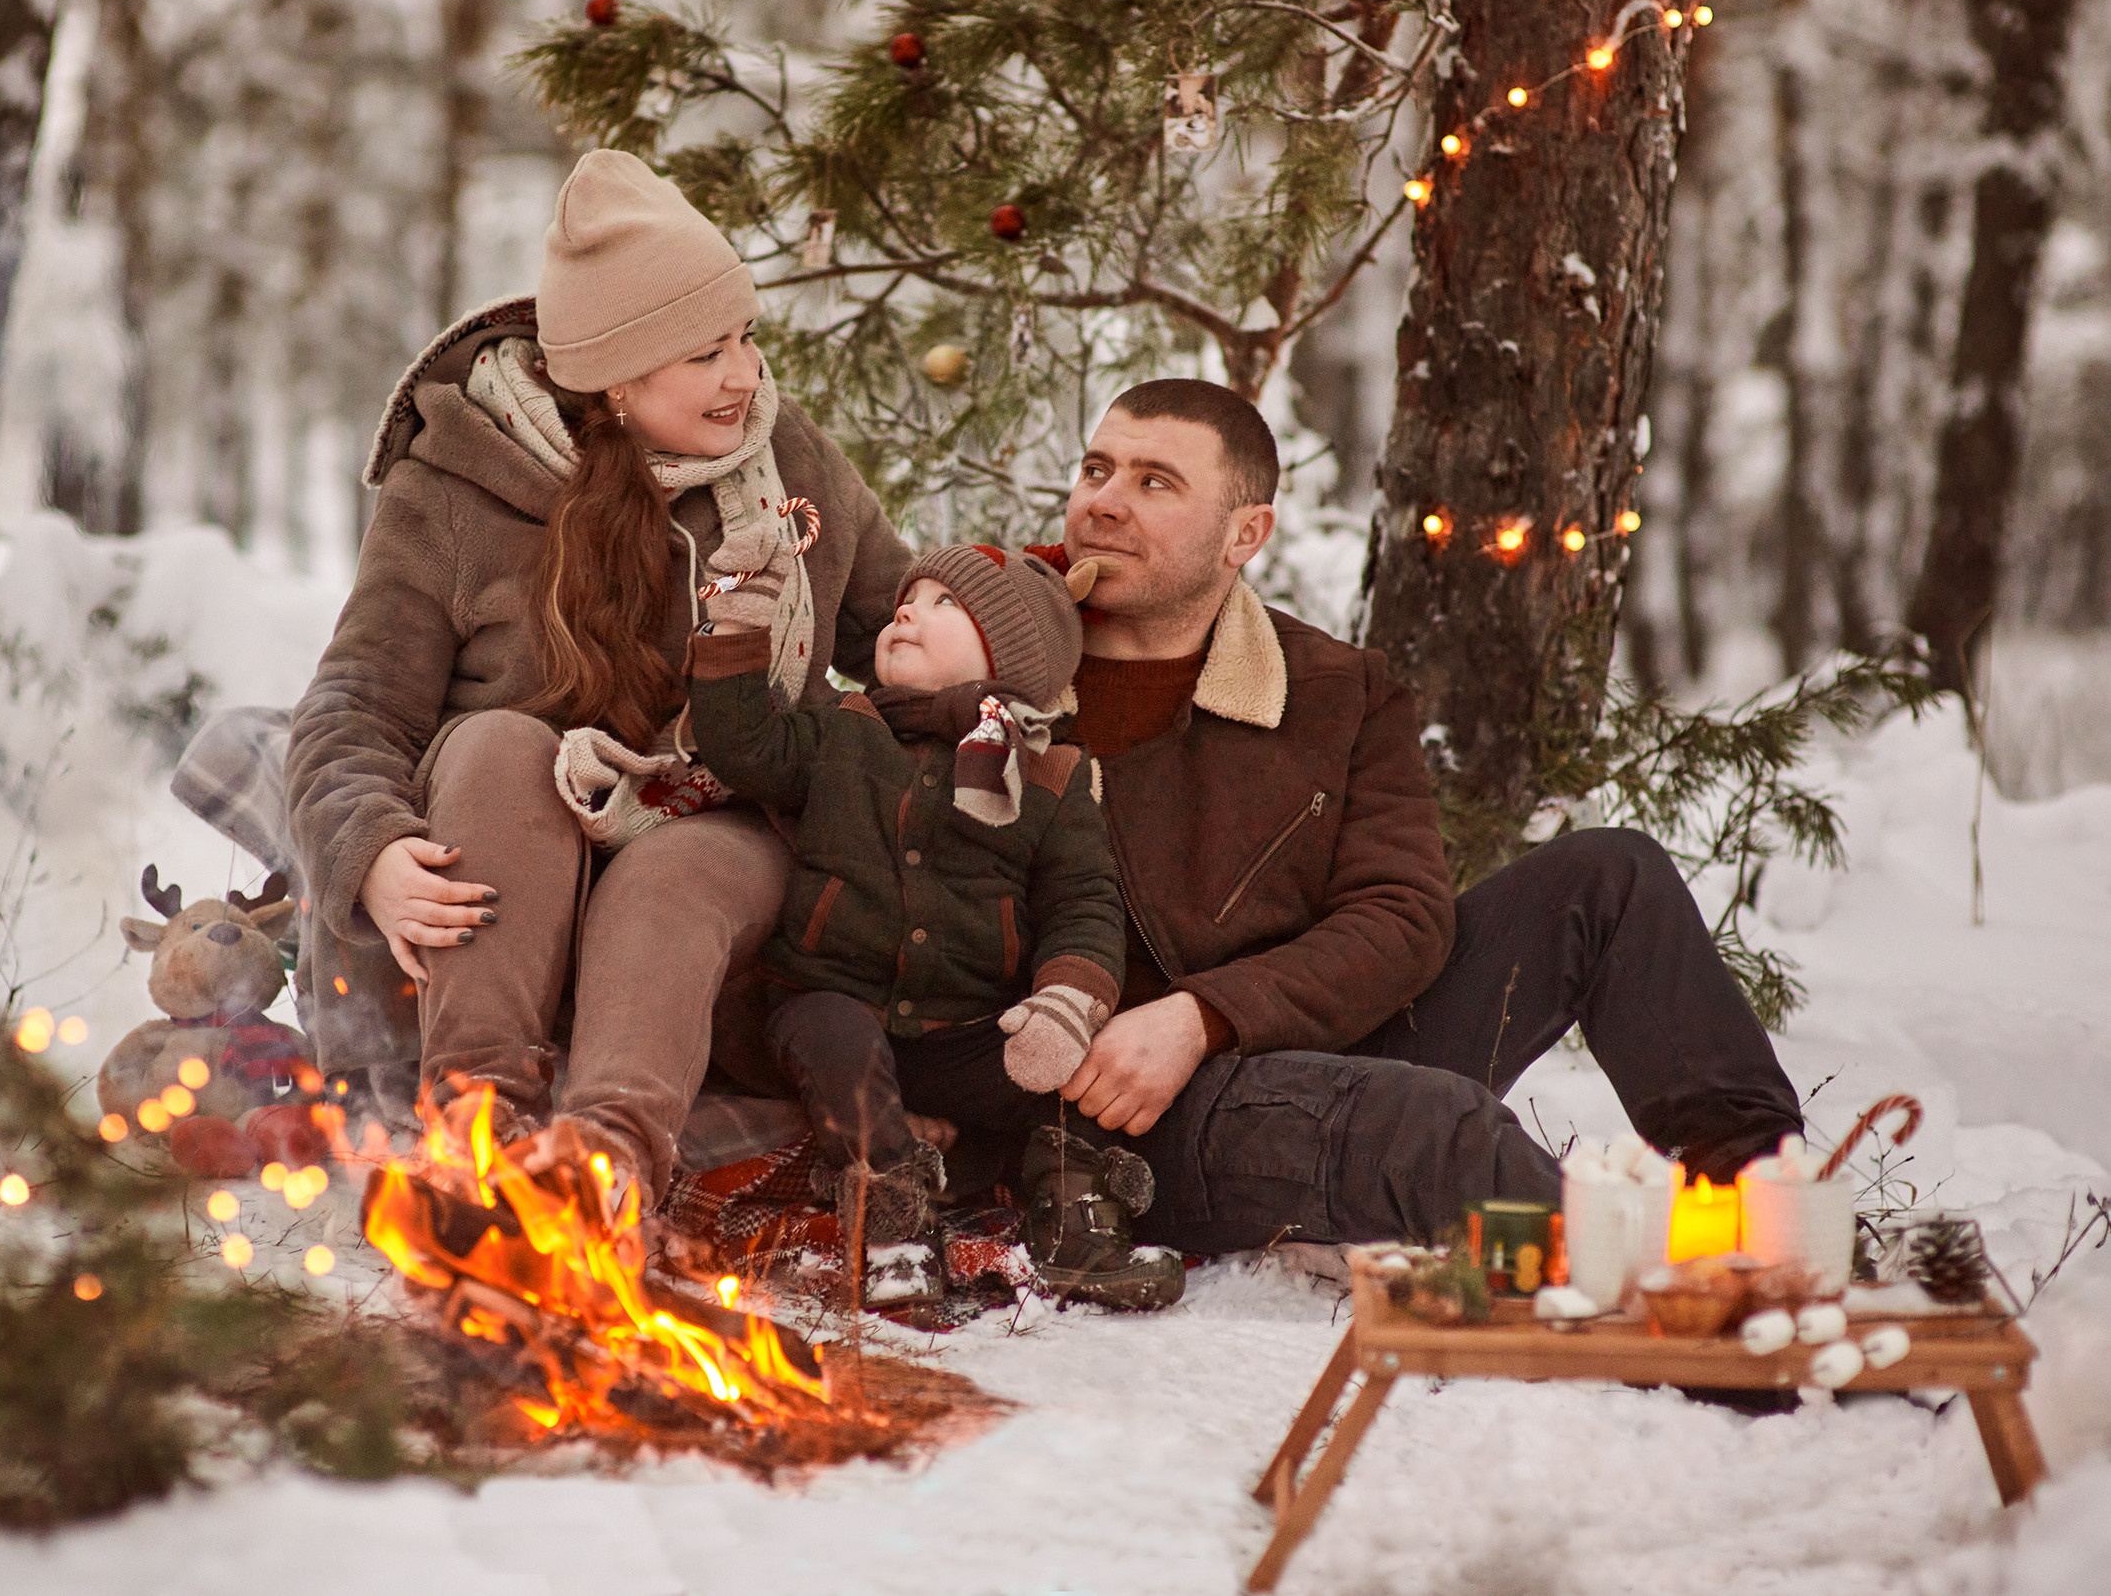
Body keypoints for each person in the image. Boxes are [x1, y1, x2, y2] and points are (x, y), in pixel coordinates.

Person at [1037, 378, 1806, 1252]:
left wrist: (1207, 1014)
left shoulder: (1334, 690)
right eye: (1097, 469)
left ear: (1245, 533)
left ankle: (1774, 1212)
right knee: (1432, 1124)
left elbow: (1401, 918)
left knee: (1611, 876)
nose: (1104, 501)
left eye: (1153, 482)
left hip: (1295, 1043)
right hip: (1128, 1119)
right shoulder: (999, 666)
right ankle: (1662, 1283)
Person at [283, 150, 911, 1205]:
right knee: (493, 743)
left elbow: (904, 629)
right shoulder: (456, 484)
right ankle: (475, 1127)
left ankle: (603, 1167)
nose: (746, 375)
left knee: (674, 870)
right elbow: (353, 705)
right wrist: (372, 852)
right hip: (516, 852)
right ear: (615, 376)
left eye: (746, 337)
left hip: (729, 818)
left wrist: (1006, 632)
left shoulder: (786, 460)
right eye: (706, 351)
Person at [687, 542, 1184, 1311]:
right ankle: (895, 1221)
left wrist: (1064, 1000)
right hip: (836, 997)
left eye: (944, 603)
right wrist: (739, 627)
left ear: (1014, 656)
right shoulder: (846, 729)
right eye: (903, 603)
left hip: (965, 1025)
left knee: (1065, 1078)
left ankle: (1073, 1221)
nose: (907, 611)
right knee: (834, 1041)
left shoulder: (1051, 773)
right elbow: (747, 748)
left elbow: (1084, 899)